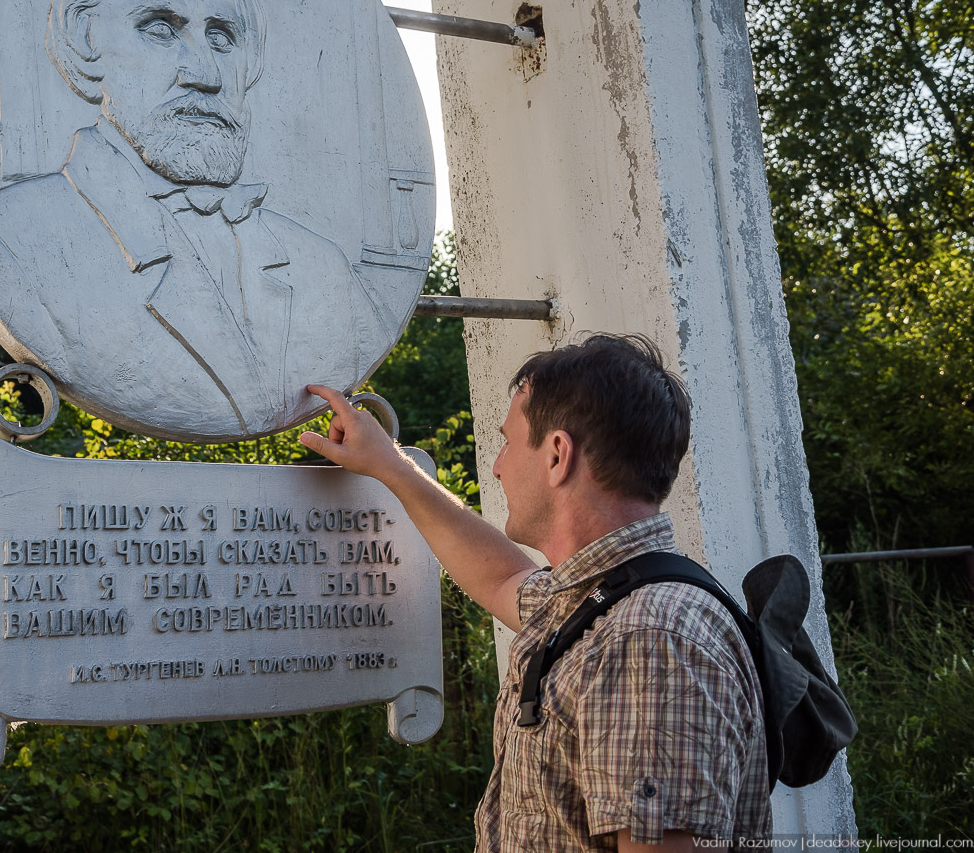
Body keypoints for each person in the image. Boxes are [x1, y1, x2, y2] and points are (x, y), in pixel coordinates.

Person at [0, 0, 401, 441]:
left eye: (222, 37)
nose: (205, 73)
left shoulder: (327, 272)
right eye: (160, 28)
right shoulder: (3, 240)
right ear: (85, 43)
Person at [300, 334, 771, 851]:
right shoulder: (595, 598)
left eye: (506, 441)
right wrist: (390, 464)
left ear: (557, 456)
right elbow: (500, 578)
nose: (497, 465)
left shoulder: (646, 641)